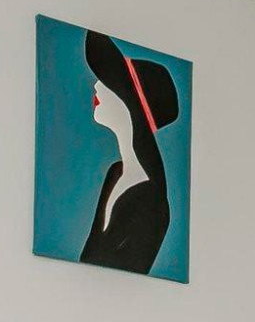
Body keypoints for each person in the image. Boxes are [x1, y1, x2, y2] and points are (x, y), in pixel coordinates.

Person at [77, 30, 182, 275]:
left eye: (108, 80)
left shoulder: (153, 202)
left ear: (129, 103)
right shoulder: (116, 173)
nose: (96, 84)